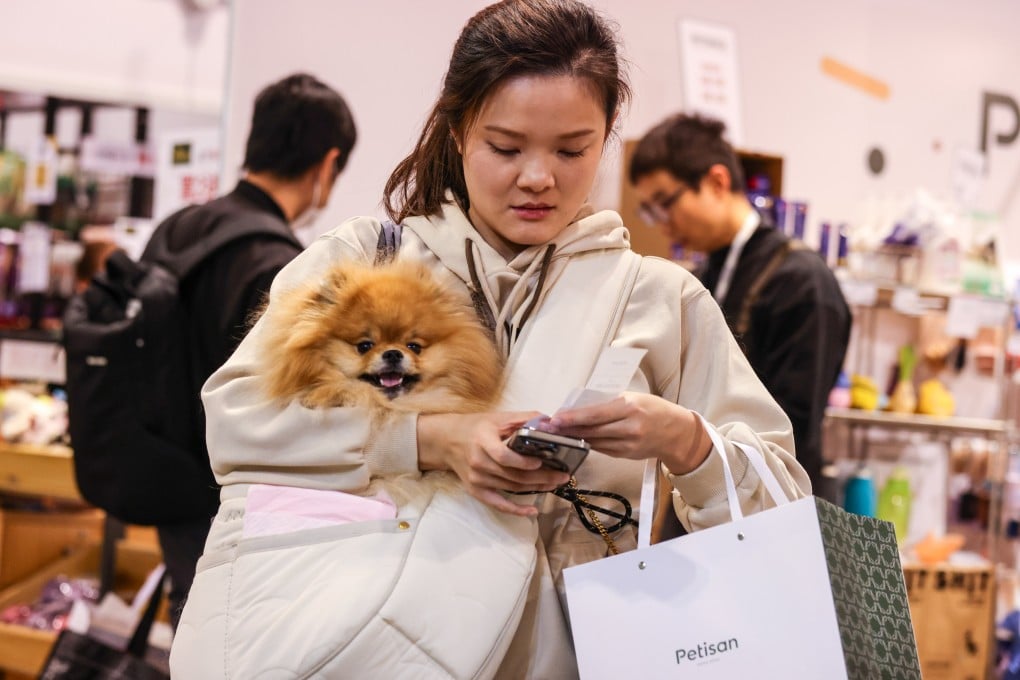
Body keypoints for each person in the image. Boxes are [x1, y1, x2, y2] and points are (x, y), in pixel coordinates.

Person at [170, 2, 808, 677]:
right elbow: (237, 420)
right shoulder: (366, 262)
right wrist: (428, 441)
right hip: (372, 650)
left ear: (608, 135)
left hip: (574, 656)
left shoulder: (659, 299)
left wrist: (686, 443)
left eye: (572, 150)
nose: (539, 177)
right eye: (506, 147)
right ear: (456, 129)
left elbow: (782, 512)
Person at [143, 72, 357, 627]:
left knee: (189, 628)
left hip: (162, 473)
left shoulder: (179, 228)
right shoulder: (278, 263)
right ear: (328, 164)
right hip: (226, 499)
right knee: (229, 635)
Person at [628, 113, 851, 493]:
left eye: (665, 203)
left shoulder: (801, 281)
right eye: (649, 211)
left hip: (772, 503)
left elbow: (792, 428)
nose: (661, 223)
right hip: (703, 491)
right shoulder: (701, 276)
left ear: (716, 182)